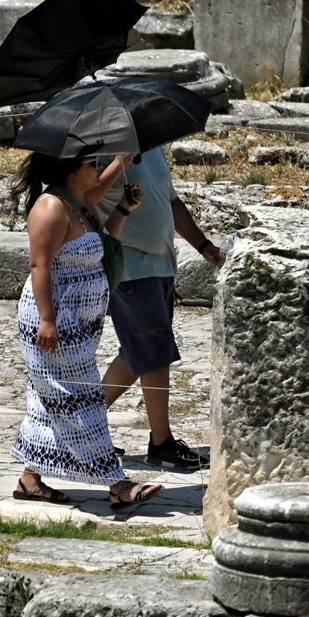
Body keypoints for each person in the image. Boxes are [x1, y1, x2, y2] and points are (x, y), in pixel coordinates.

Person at [9, 150, 164, 511]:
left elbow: (102, 240)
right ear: (73, 169)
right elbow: (40, 266)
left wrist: (123, 206)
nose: (99, 167)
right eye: (94, 162)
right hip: (54, 322)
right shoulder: (50, 208)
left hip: (80, 323)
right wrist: (47, 320)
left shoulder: (78, 203)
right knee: (82, 398)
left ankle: (30, 479)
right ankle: (116, 483)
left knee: (49, 399)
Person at [94, 147, 223, 471]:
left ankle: (79, 421)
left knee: (139, 352)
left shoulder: (152, 148)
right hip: (129, 265)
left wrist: (203, 246)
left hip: (162, 264)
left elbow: (171, 202)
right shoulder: (100, 148)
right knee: (153, 350)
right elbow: (86, 196)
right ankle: (161, 443)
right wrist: (118, 162)